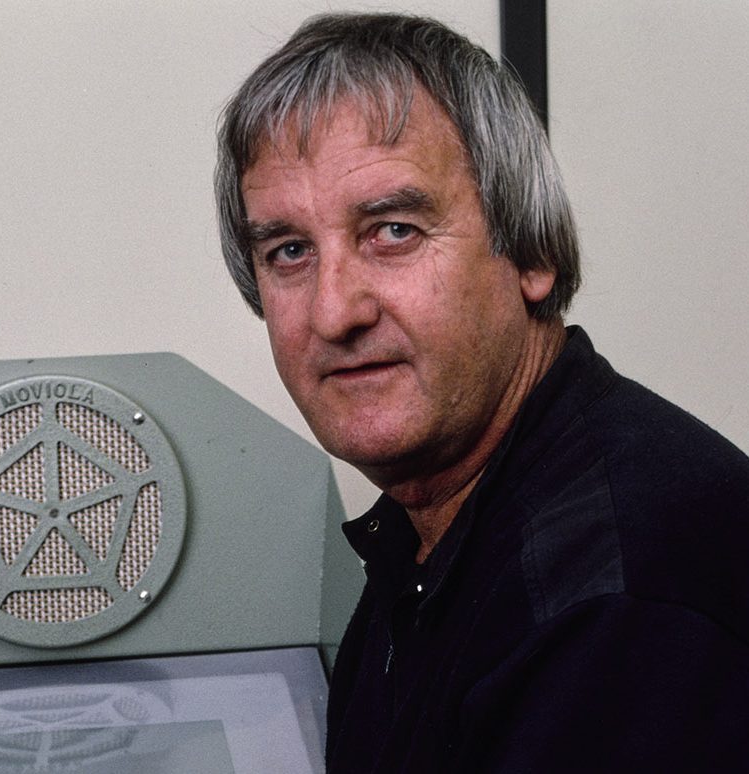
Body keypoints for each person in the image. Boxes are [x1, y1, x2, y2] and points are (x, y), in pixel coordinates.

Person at [215, 12, 749, 772]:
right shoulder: (437, 522)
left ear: (530, 252)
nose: (334, 312)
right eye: (290, 250)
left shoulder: (615, 603)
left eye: (394, 231)